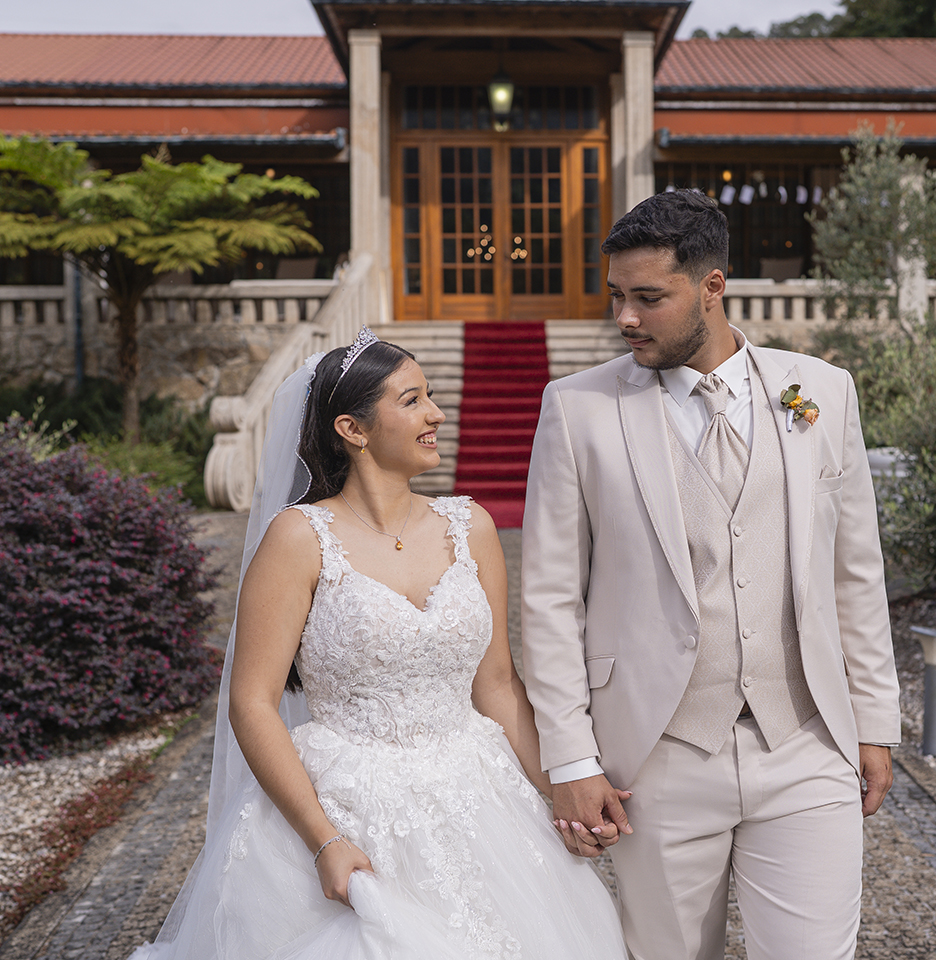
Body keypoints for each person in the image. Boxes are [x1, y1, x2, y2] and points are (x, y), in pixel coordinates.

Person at [131, 329, 628, 960]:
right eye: (412, 400)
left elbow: (498, 684)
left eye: (431, 396)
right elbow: (252, 704)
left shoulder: (470, 526)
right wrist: (323, 840)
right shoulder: (299, 539)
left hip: (479, 795)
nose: (437, 414)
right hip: (347, 804)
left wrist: (562, 790)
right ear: (353, 429)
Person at [520, 190, 901, 960]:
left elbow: (855, 572)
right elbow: (550, 601)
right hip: (655, 758)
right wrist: (571, 759)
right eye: (616, 296)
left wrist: (875, 721)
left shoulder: (820, 391)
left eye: (648, 298)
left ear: (712, 287)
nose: (625, 318)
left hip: (805, 742)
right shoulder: (577, 408)